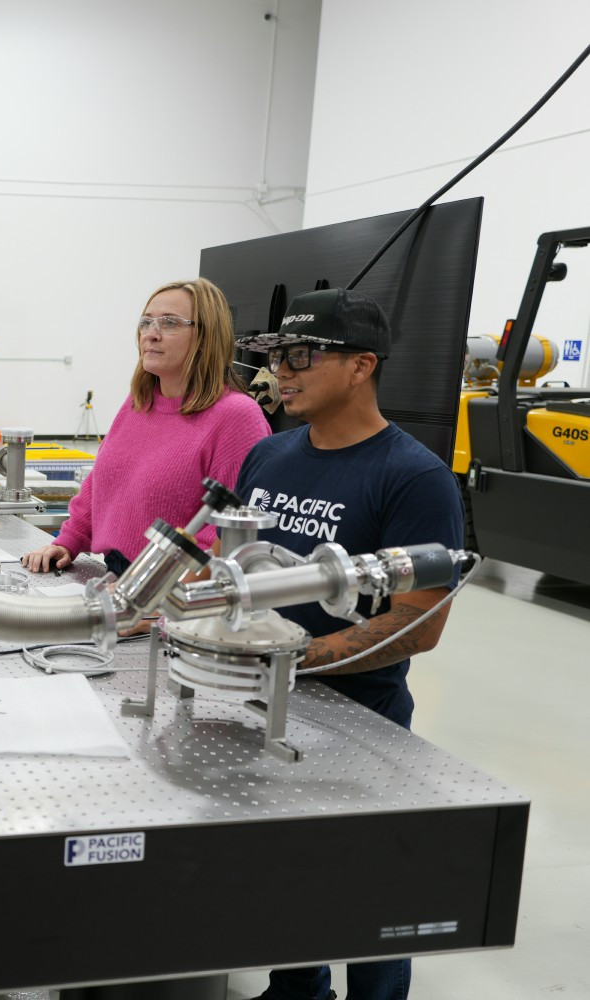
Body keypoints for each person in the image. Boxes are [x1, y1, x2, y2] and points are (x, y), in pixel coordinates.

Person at [235, 288, 463, 1000]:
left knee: (367, 899)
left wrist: (298, 658)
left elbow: (420, 623)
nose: (286, 374)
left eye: (304, 356)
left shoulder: (415, 477)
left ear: (363, 364)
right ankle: (297, 989)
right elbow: (239, 571)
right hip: (264, 710)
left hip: (361, 719)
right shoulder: (268, 456)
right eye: (279, 357)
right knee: (284, 873)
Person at [21, 278, 270, 577]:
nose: (151, 334)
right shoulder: (138, 403)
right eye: (146, 322)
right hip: (115, 571)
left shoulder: (236, 416)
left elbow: (226, 533)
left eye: (168, 323)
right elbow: (99, 486)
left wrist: (157, 595)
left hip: (175, 586)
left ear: (206, 335)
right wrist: (68, 541)